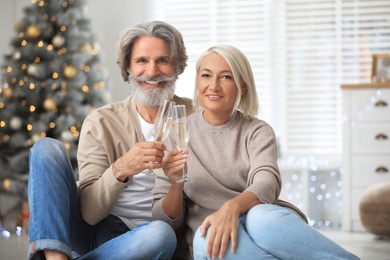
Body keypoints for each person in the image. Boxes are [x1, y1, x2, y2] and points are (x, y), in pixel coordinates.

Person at [152, 44, 360, 260]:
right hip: (212, 237)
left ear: (242, 86)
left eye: (226, 77)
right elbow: (165, 220)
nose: (213, 86)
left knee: (258, 216)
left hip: (262, 225)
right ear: (197, 81)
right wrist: (176, 183)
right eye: (206, 76)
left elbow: (267, 183)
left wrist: (231, 208)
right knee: (206, 237)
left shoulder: (257, 131)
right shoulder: (176, 133)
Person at [27, 20, 193, 260]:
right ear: (127, 67)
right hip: (97, 232)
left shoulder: (195, 116)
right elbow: (90, 213)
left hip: (155, 237)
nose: (152, 71)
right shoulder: (101, 122)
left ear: (177, 66)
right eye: (142, 60)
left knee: (160, 234)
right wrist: (122, 167)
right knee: (45, 149)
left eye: (163, 60)